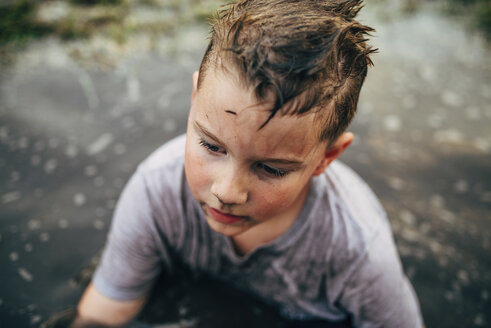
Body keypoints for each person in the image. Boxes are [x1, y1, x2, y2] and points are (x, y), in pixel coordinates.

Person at [74, 0, 424, 327]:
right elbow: (106, 310)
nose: (226, 192)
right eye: (212, 146)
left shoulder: (357, 250)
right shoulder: (157, 192)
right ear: (195, 98)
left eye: (271, 169)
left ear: (325, 158)